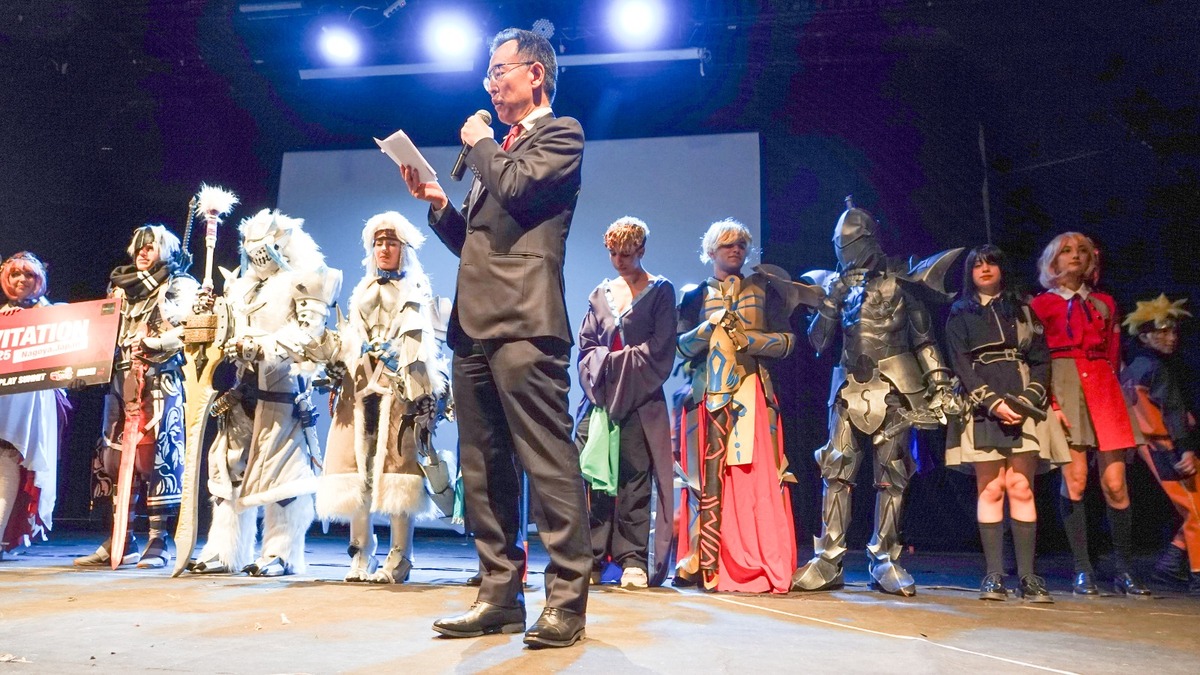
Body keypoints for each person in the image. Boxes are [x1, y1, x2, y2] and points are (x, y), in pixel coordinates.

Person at [399, 27, 590, 648]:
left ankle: (566, 603)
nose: (490, 84)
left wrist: (480, 140)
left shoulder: (561, 135)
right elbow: (479, 246)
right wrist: (438, 204)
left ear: (535, 73)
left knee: (548, 461)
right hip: (474, 325)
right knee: (482, 467)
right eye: (488, 75)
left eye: (499, 71)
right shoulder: (498, 152)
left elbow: (514, 187)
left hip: (527, 323)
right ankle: (499, 596)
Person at [792, 198, 961, 597]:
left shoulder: (904, 281)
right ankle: (828, 558)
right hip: (848, 387)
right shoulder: (835, 285)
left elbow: (923, 339)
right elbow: (818, 342)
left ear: (869, 240)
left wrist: (939, 383)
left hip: (896, 385)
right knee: (836, 470)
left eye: (850, 243)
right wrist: (832, 299)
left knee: (893, 475)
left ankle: (886, 557)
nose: (844, 252)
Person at [186, 209, 341, 577]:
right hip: (241, 391)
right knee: (227, 472)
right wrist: (205, 316)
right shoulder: (238, 286)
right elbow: (221, 334)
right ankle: (224, 550)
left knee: (283, 477)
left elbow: (309, 335)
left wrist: (260, 346)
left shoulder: (306, 280)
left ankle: (282, 553)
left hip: (282, 392)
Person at [316, 212, 448, 584]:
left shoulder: (415, 291)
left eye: (391, 242)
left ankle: (400, 556)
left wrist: (401, 360)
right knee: (358, 472)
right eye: (378, 243)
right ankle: (361, 553)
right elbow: (348, 338)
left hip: (399, 393)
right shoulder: (362, 290)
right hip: (359, 391)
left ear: (403, 248)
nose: (384, 249)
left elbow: (424, 345)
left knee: (397, 473)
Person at [675, 219, 798, 593]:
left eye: (741, 245)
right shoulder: (694, 296)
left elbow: (788, 341)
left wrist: (749, 341)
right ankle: (700, 557)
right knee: (702, 480)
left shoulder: (764, 289)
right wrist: (706, 328)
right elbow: (678, 347)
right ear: (711, 250)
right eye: (728, 244)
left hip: (752, 392)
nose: (736, 250)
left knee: (751, 475)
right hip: (705, 396)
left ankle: (752, 554)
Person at [944, 245, 1070, 603]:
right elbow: (960, 363)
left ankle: (1028, 576)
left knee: (1021, 487)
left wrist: (1027, 400)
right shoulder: (960, 312)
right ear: (969, 274)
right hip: (982, 404)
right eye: (977, 265)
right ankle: (994, 576)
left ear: (1002, 269)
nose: (984, 269)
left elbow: (1042, 361)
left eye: (991, 263)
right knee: (991, 488)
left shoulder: (1023, 309)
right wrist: (992, 402)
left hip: (1023, 401)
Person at [1029, 232, 1149, 596]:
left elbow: (1113, 352)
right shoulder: (1041, 305)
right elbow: (1037, 358)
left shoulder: (1104, 303)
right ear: (1053, 261)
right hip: (1064, 385)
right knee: (1076, 480)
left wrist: (1117, 393)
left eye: (1082, 251)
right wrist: (1050, 403)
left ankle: (1125, 570)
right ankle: (1083, 569)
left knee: (1115, 484)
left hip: (1102, 385)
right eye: (1066, 251)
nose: (1075, 256)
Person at [75, 226, 199, 569]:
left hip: (160, 379)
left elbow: (191, 328)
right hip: (120, 380)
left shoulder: (179, 284)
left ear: (166, 251)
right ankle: (121, 538)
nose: (144, 252)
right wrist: (82, 366)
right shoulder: (119, 286)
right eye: (140, 247)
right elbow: (102, 331)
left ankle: (159, 540)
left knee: (159, 456)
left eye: (151, 247)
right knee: (114, 457)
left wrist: (155, 342)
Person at [574, 217, 676, 589]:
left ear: (641, 250)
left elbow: (661, 347)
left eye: (627, 254)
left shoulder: (660, 291)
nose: (619, 261)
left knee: (635, 476)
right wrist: (604, 372)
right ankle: (593, 557)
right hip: (602, 397)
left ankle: (632, 558)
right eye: (614, 253)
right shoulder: (601, 294)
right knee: (595, 477)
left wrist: (620, 367)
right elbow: (587, 347)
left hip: (641, 398)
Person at [1120, 294, 1198, 594]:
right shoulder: (1155, 368)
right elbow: (1173, 411)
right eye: (1162, 332)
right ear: (1144, 335)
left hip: (1151, 446)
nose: (1171, 338)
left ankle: (1171, 564)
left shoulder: (1134, 368)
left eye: (1173, 331)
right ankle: (1195, 573)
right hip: (1164, 447)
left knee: (1194, 509)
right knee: (1195, 511)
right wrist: (1186, 448)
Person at [0, 252, 62, 557]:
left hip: (31, 400)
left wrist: (31, 318)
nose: (21, 280)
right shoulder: (2, 315)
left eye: (29, 275)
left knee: (11, 459)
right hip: (4, 397)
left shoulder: (53, 313)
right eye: (15, 274)